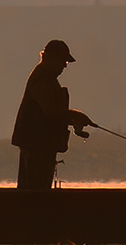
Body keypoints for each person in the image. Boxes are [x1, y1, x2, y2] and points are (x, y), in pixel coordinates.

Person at [11, 39, 92, 191]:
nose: (64, 67)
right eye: (64, 62)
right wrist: (76, 116)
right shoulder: (42, 80)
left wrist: (74, 117)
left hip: (39, 146)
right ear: (52, 59)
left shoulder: (47, 78)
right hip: (36, 148)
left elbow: (54, 112)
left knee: (32, 193)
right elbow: (52, 111)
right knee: (36, 194)